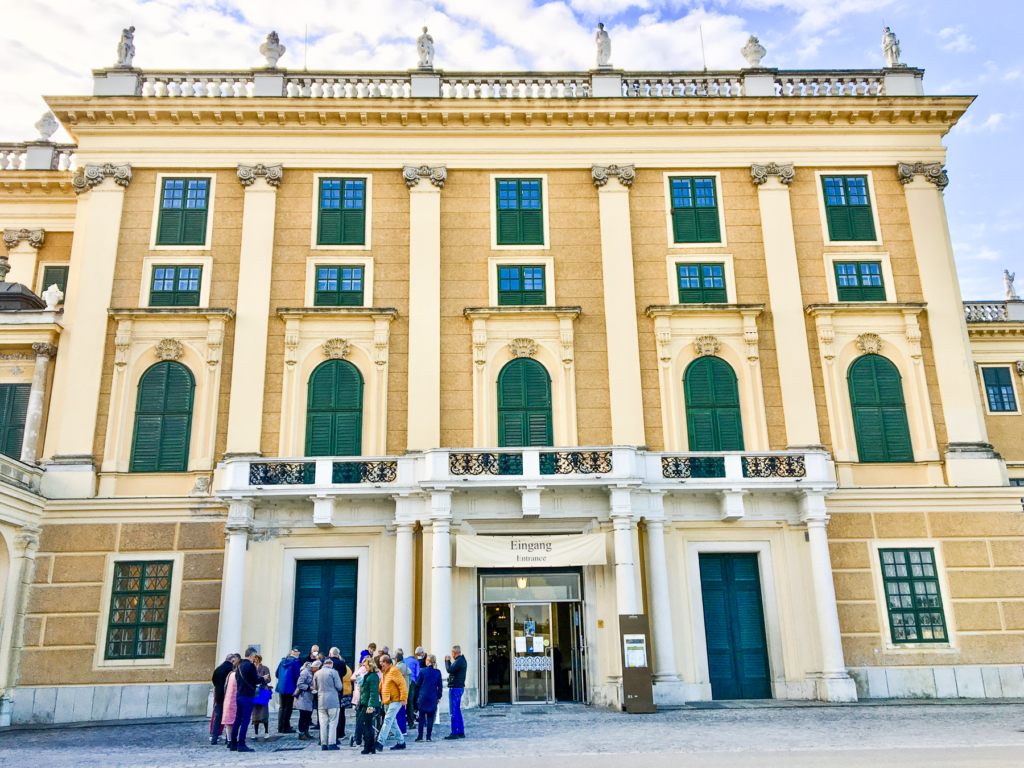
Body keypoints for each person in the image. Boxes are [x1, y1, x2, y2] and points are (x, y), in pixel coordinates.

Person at [230, 647, 261, 752]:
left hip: (239, 694)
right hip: (247, 695)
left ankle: (233, 743)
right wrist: (263, 678)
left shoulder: (239, 665)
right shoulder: (250, 666)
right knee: (245, 720)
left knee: (237, 719)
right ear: (251, 655)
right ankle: (241, 744)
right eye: (254, 656)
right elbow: (255, 680)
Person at [377, 654, 408, 750]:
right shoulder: (384, 672)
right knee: (393, 722)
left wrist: (403, 698)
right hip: (387, 700)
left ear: (385, 662)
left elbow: (402, 684)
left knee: (387, 720)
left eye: (381, 662)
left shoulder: (394, 671)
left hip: (395, 700)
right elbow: (382, 685)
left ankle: (380, 742)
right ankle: (401, 742)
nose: (380, 664)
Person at [314, 658, 344, 751]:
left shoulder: (317, 673)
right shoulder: (333, 672)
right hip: (333, 700)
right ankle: (331, 743)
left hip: (321, 700)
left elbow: (314, 687)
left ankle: (323, 743)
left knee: (322, 723)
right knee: (333, 722)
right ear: (331, 664)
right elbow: (339, 686)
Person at [413, 655, 442, 742]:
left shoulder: (423, 671)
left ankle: (420, 736)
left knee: (421, 717)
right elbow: (440, 686)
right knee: (430, 717)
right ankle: (428, 736)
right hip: (433, 696)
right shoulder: (437, 672)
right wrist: (439, 696)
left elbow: (417, 685)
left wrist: (416, 696)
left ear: (428, 661)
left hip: (423, 696)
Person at [211, 653, 238, 745]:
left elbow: (214, 681)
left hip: (218, 696)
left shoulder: (218, 669)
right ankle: (228, 738)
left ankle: (214, 737)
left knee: (217, 717)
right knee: (229, 718)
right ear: (233, 661)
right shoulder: (231, 670)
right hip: (228, 696)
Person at [327, 647, 353, 742]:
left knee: (326, 715)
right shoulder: (342, 664)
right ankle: (340, 733)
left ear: (330, 654)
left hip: (326, 692)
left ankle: (326, 735)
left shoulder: (326, 663)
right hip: (339, 692)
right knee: (340, 714)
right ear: (338, 654)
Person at [357, 656, 381, 754]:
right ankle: (369, 745)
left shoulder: (373, 676)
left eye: (365, 665)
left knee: (366, 725)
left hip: (368, 705)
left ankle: (369, 746)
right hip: (364, 703)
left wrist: (370, 706)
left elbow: (373, 692)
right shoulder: (368, 675)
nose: (363, 666)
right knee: (365, 725)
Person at [275, 647, 301, 733]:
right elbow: (297, 675)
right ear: (296, 653)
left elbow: (276, 673)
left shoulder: (283, 661)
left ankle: (280, 726)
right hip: (290, 687)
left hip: (281, 687)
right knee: (288, 707)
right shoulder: (296, 662)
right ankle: (285, 727)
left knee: (282, 707)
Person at [444, 646, 467, 740]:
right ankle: (461, 731)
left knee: (454, 711)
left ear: (454, 652)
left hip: (455, 688)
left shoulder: (458, 661)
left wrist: (447, 661)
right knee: (457, 710)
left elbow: (449, 670)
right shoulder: (462, 660)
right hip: (459, 687)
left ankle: (455, 732)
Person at [349, 652, 370, 748]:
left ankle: (358, 738)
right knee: (368, 720)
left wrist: (358, 669)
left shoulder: (360, 670)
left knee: (359, 719)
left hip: (359, 696)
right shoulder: (374, 672)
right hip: (368, 698)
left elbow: (352, 678)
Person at [221, 656, 241, 750]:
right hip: (235, 699)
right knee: (235, 721)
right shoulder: (237, 674)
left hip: (228, 699)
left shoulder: (230, 674)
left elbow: (225, 686)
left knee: (228, 722)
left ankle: (229, 740)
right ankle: (234, 740)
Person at [251, 654, 271, 740]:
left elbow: (269, 679)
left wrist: (265, 678)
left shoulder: (264, 668)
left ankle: (266, 731)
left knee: (264, 712)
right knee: (255, 713)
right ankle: (256, 732)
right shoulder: (252, 669)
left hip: (262, 691)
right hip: (255, 692)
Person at [294, 659, 315, 740]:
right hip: (303, 697)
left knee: (307, 716)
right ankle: (301, 733)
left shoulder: (311, 672)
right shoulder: (305, 672)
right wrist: (309, 688)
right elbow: (299, 684)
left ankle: (306, 732)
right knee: (303, 716)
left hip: (309, 697)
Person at [395, 652, 412, 734]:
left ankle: (399, 729)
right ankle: (404, 729)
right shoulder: (406, 668)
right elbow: (410, 681)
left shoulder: (396, 668)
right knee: (403, 711)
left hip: (398, 692)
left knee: (398, 712)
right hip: (405, 691)